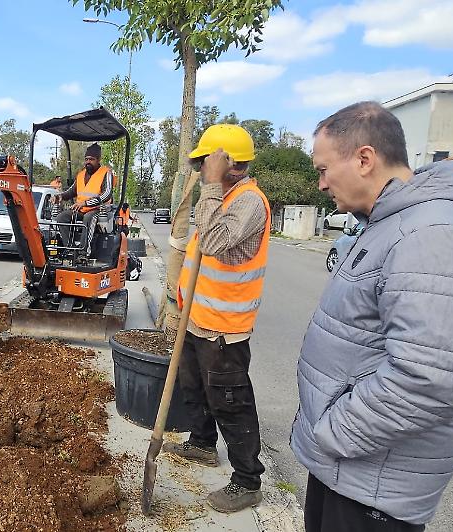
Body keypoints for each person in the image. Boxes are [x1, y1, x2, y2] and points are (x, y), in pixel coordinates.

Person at [293, 101, 453, 531]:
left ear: (364, 159)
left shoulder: (434, 233)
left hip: (371, 484)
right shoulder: (391, 222)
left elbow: (430, 379)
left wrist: (334, 432)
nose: (320, 184)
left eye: (323, 169)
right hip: (348, 473)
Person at [161, 124, 271, 514]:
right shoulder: (222, 199)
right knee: (196, 388)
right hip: (197, 320)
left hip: (224, 328)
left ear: (227, 163)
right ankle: (203, 443)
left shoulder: (248, 202)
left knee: (231, 401)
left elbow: (212, 243)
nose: (200, 167)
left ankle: (246, 481)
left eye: (206, 161)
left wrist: (209, 185)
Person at [53, 143, 114, 258]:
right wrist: (60, 196)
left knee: (89, 218)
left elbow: (106, 194)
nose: (88, 162)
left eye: (91, 159)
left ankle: (83, 252)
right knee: (62, 217)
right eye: (86, 159)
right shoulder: (81, 175)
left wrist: (85, 203)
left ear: (98, 160)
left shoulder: (106, 173)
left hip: (100, 210)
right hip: (81, 209)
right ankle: (70, 249)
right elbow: (71, 192)